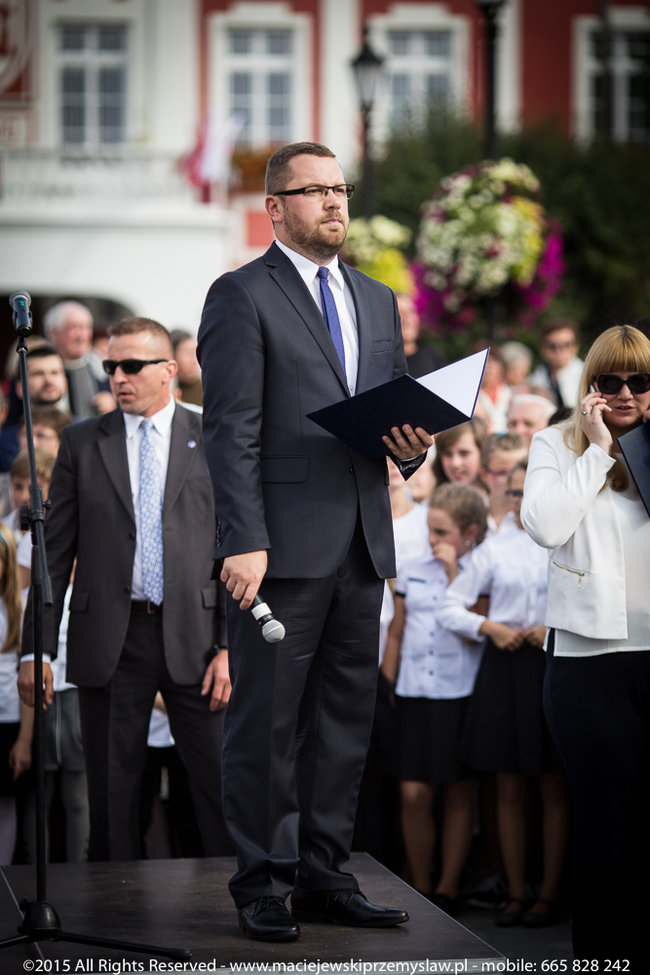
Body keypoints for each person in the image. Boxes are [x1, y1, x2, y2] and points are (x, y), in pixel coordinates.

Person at [197, 141, 433, 942]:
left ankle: (327, 875)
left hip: (363, 542)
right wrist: (243, 538)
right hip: (277, 552)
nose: (334, 202)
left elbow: (390, 414)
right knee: (264, 724)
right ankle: (263, 881)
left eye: (341, 187)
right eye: (314, 191)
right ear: (274, 208)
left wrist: (412, 444)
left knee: (342, 722)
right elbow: (232, 432)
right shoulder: (240, 296)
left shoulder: (376, 298)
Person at [18, 316, 231, 862]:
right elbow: (54, 553)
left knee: (221, 792)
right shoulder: (81, 442)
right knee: (110, 800)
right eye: (111, 365)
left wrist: (231, 647)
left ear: (169, 370)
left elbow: (237, 546)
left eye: (131, 365)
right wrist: (37, 648)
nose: (117, 376)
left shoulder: (212, 434)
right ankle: (114, 927)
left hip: (200, 638)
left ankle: (242, 909)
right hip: (111, 638)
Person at [521, 324, 650, 967]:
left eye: (639, 381)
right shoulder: (554, 442)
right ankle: (602, 956)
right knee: (603, 822)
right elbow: (544, 525)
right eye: (610, 380)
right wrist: (597, 451)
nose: (625, 393)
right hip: (587, 659)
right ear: (590, 384)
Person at [438, 463, 569, 930]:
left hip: (554, 661)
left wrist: (552, 629)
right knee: (509, 785)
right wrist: (488, 626)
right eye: (514, 490)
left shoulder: (570, 537)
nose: (520, 498)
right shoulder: (496, 549)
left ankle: (550, 893)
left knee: (554, 785)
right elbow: (449, 606)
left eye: (527, 489)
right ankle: (515, 892)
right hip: (505, 664)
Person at [381, 483, 487, 914]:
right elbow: (397, 629)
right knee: (413, 793)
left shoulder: (482, 569)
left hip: (458, 690)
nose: (433, 540)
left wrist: (454, 579)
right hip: (413, 690)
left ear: (470, 532)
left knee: (458, 791)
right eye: (430, 530)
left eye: (442, 532)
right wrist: (388, 681)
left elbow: (478, 623)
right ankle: (420, 885)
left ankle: (447, 887)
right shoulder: (412, 568)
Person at [0, 345, 69, 473]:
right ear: (19, 388)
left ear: (65, 384)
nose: (48, 380)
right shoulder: (4, 444)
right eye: (38, 374)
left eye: (55, 373)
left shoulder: (84, 432)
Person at [43, 300, 115, 418]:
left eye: (86, 328)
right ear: (53, 333)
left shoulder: (104, 368)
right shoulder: (36, 367)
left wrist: (113, 403)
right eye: (73, 327)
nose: (81, 335)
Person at [529, 320, 583, 409]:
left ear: (576, 347)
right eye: (552, 346)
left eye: (566, 345)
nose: (559, 351)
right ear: (542, 348)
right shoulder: (535, 378)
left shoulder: (587, 376)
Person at [431, 417, 488, 495]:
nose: (455, 463)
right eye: (448, 454)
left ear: (482, 452)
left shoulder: (500, 503)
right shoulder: (430, 505)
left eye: (464, 453)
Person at [396, 292, 445, 378]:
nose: (407, 318)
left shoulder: (431, 355)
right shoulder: (383, 364)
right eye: (399, 313)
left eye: (411, 311)